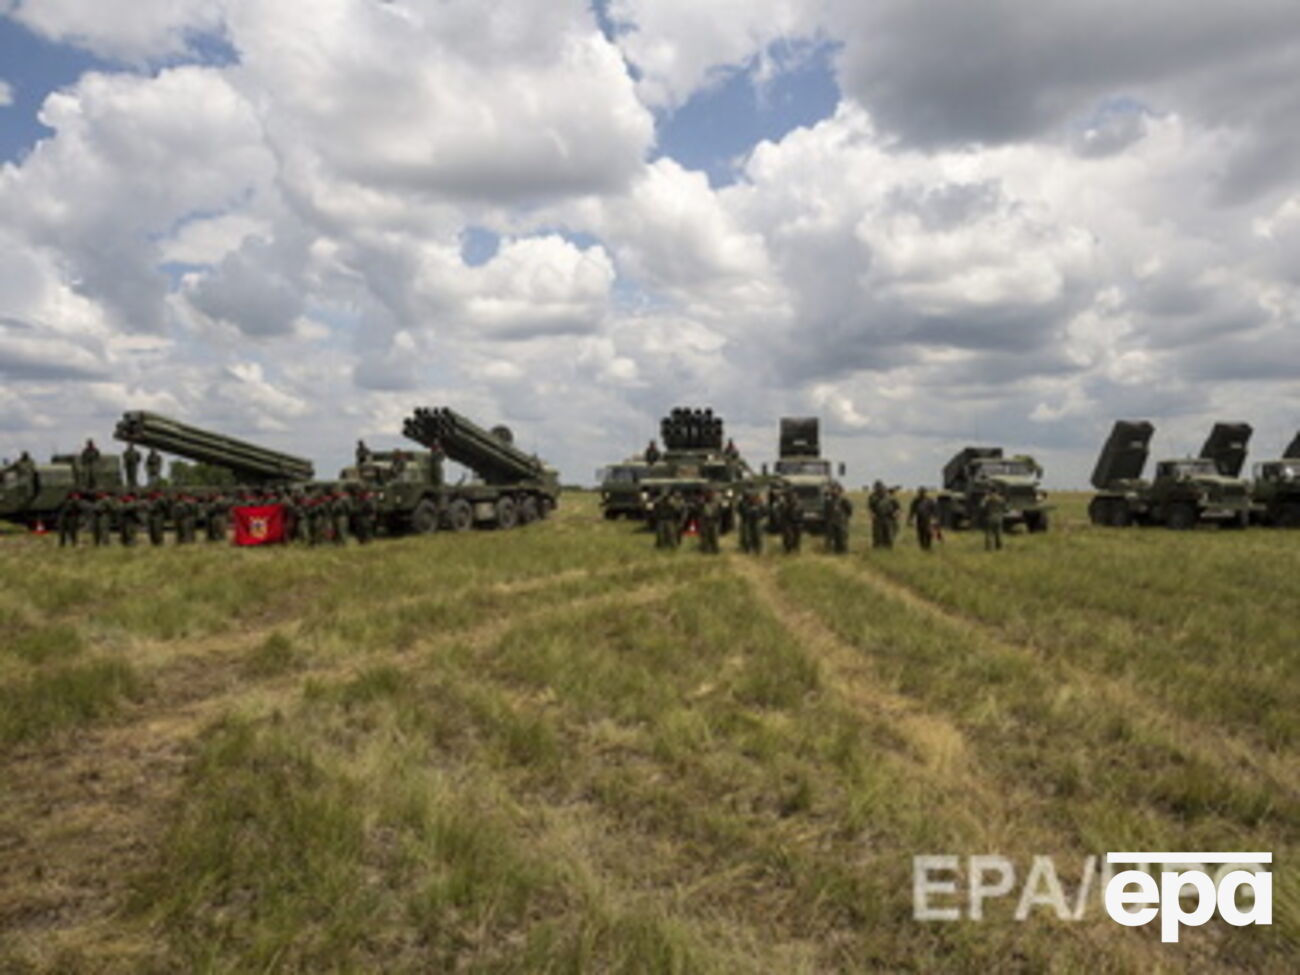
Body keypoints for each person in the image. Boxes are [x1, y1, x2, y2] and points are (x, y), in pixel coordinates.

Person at [824, 483, 853, 553]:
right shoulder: (828, 501)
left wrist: (844, 518)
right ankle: (831, 550)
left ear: (839, 490)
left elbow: (849, 511)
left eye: (835, 489)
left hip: (841, 521)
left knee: (842, 538)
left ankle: (843, 550)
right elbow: (826, 512)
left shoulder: (844, 500)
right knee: (830, 538)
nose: (833, 491)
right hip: (831, 522)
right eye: (832, 489)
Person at [908, 486, 938, 551]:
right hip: (919, 520)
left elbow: (934, 511)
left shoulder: (930, 500)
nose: (921, 493)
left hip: (928, 520)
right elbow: (912, 511)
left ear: (925, 492)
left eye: (922, 492)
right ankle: (922, 547)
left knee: (928, 534)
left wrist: (935, 519)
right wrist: (910, 520)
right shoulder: (916, 501)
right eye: (920, 492)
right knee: (920, 534)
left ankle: (928, 547)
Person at [738, 489, 765, 554]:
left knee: (758, 536)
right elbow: (743, 512)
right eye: (751, 497)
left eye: (754, 497)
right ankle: (749, 549)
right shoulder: (745, 504)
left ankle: (758, 549)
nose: (752, 498)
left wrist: (759, 515)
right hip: (748, 522)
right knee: (748, 536)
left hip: (757, 522)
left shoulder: (759, 504)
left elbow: (764, 512)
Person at [779, 486, 803, 554]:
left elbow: (801, 512)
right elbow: (783, 512)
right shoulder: (784, 503)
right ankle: (788, 550)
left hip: (796, 522)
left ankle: (796, 549)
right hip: (787, 522)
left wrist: (800, 521)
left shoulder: (798, 503)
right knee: (788, 537)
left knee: (796, 537)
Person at [697, 489, 721, 554]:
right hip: (705, 521)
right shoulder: (702, 502)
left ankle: (715, 549)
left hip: (713, 521)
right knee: (705, 536)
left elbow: (719, 511)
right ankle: (705, 550)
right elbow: (699, 510)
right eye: (708, 494)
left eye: (711, 494)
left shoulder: (716, 502)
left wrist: (717, 518)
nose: (710, 495)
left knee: (714, 536)